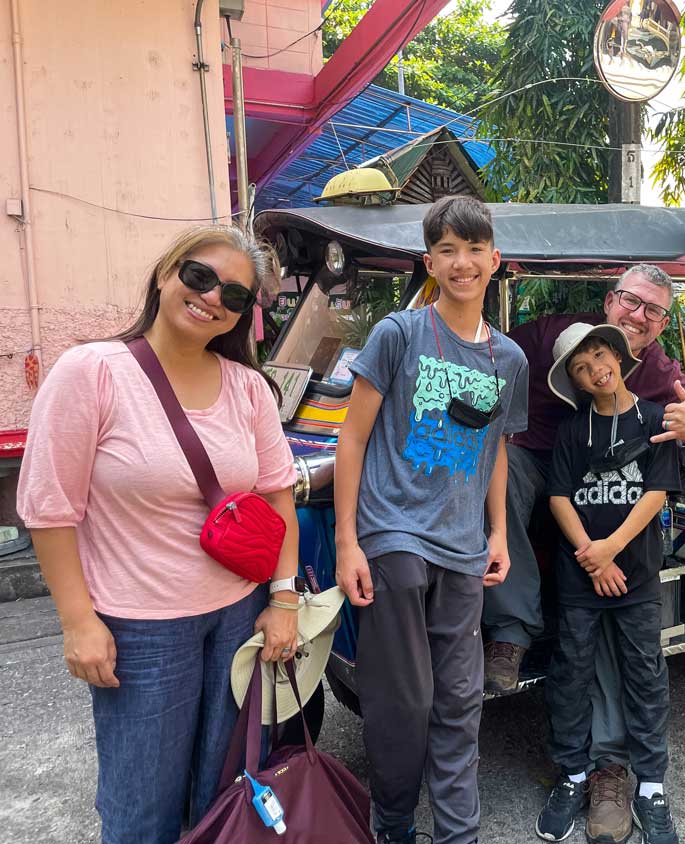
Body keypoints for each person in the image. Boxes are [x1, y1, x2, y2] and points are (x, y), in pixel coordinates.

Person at [16, 226, 301, 844]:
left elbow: (278, 493)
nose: (210, 299)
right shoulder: (91, 372)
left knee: (223, 787)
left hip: (238, 614)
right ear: (166, 274)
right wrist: (77, 621)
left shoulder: (248, 387)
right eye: (199, 277)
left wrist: (283, 598)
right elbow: (48, 508)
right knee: (142, 805)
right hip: (139, 628)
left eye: (233, 294)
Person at [482, 264, 685, 843]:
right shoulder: (554, 334)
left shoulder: (661, 379)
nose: (637, 315)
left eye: (653, 310)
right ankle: (511, 635)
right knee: (496, 470)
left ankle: (619, 775)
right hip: (547, 472)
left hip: (612, 532)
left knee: (629, 664)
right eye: (630, 300)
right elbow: (485, 350)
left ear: (662, 325)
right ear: (609, 300)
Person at [333, 195, 529, 844]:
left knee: (459, 701)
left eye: (473, 248)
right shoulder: (399, 334)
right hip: (394, 537)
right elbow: (352, 439)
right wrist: (347, 543)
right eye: (447, 248)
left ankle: (457, 834)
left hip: (463, 546)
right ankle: (392, 825)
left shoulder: (509, 361)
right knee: (402, 703)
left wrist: (498, 532)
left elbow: (494, 450)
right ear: (430, 261)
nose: (461, 261)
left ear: (493, 260)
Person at [536, 323, 681, 844]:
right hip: (580, 580)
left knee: (645, 675)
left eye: (599, 354)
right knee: (571, 674)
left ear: (617, 356)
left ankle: (651, 787)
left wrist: (611, 550)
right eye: (580, 366)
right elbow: (558, 497)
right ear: (573, 381)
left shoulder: (654, 419)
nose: (594, 368)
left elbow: (657, 493)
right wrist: (592, 559)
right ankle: (573, 775)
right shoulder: (574, 430)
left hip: (637, 576)